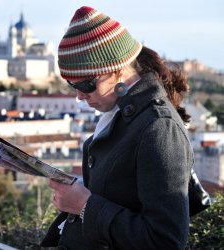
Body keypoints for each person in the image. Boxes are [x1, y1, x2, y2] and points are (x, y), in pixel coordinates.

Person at [41, 6, 193, 250]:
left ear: (118, 69)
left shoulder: (159, 128)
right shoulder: (118, 115)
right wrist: (77, 196)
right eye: (72, 84)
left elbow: (167, 240)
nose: (79, 95)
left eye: (86, 84)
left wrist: (85, 206)